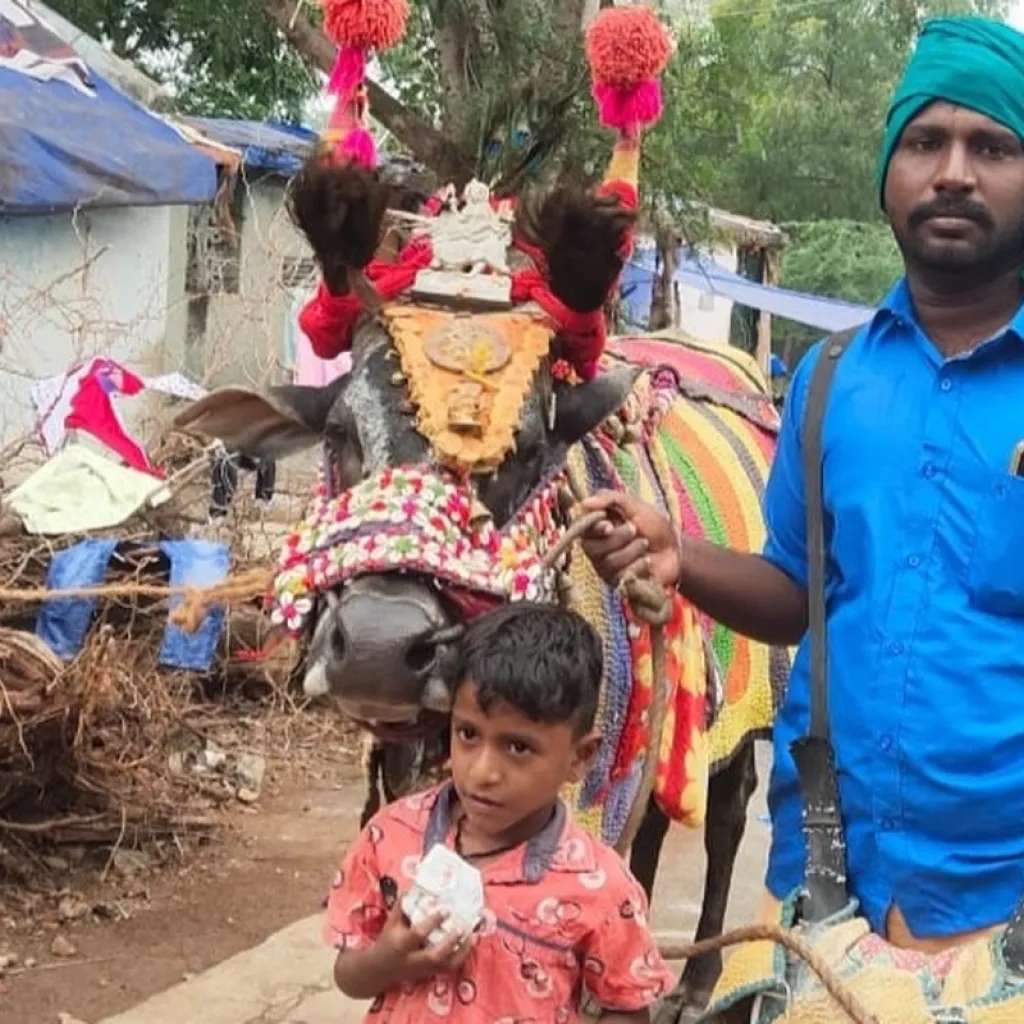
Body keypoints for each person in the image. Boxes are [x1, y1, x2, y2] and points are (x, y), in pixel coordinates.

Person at [579, 15, 1024, 955]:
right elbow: (800, 596)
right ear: (888, 176)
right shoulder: (827, 385)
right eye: (924, 142)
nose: (953, 171)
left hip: (1007, 891)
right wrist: (679, 555)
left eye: (993, 145)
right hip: (832, 878)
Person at [322, 603, 676, 1021]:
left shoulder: (601, 887)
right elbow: (349, 976)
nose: (483, 771)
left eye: (519, 747)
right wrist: (389, 960)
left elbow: (628, 1008)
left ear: (579, 758)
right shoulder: (391, 835)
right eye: (468, 734)